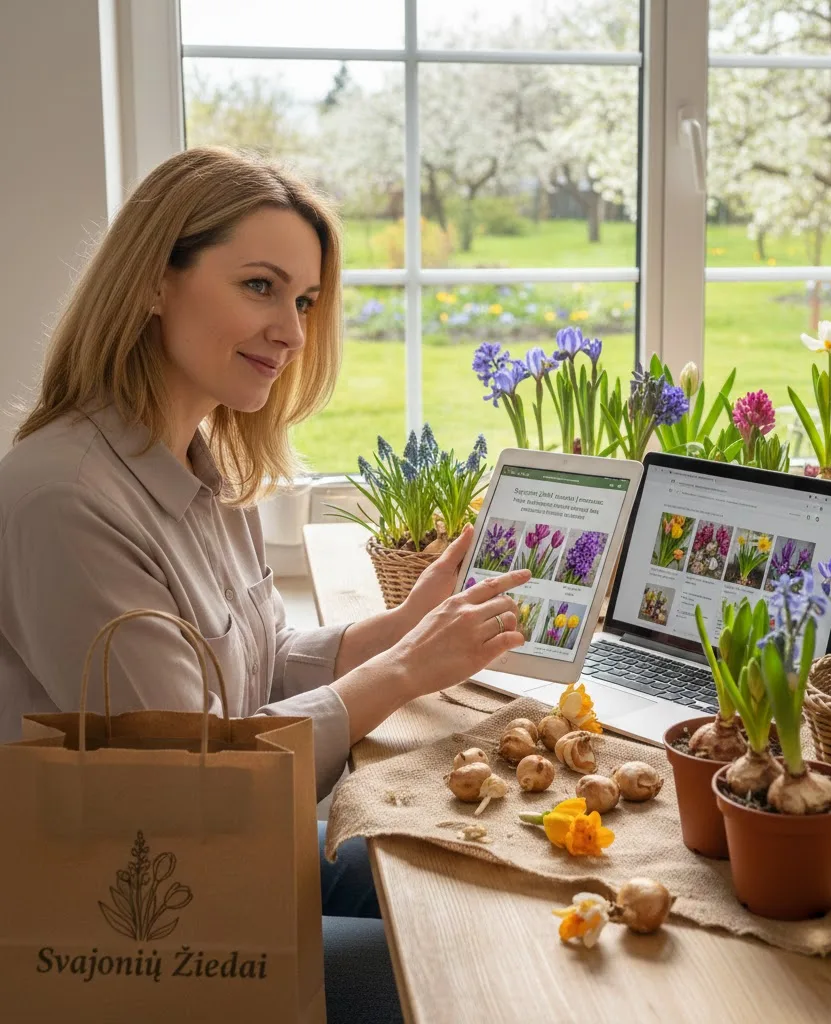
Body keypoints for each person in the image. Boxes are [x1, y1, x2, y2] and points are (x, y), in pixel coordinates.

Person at [0, 147, 528, 1023]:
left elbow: (262, 663)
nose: (291, 328)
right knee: (469, 969)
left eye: (306, 300)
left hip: (210, 849)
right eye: (259, 286)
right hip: (135, 911)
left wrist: (405, 624)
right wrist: (401, 674)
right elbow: (188, 781)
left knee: (469, 865)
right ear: (153, 281)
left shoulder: (207, 463)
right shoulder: (66, 500)